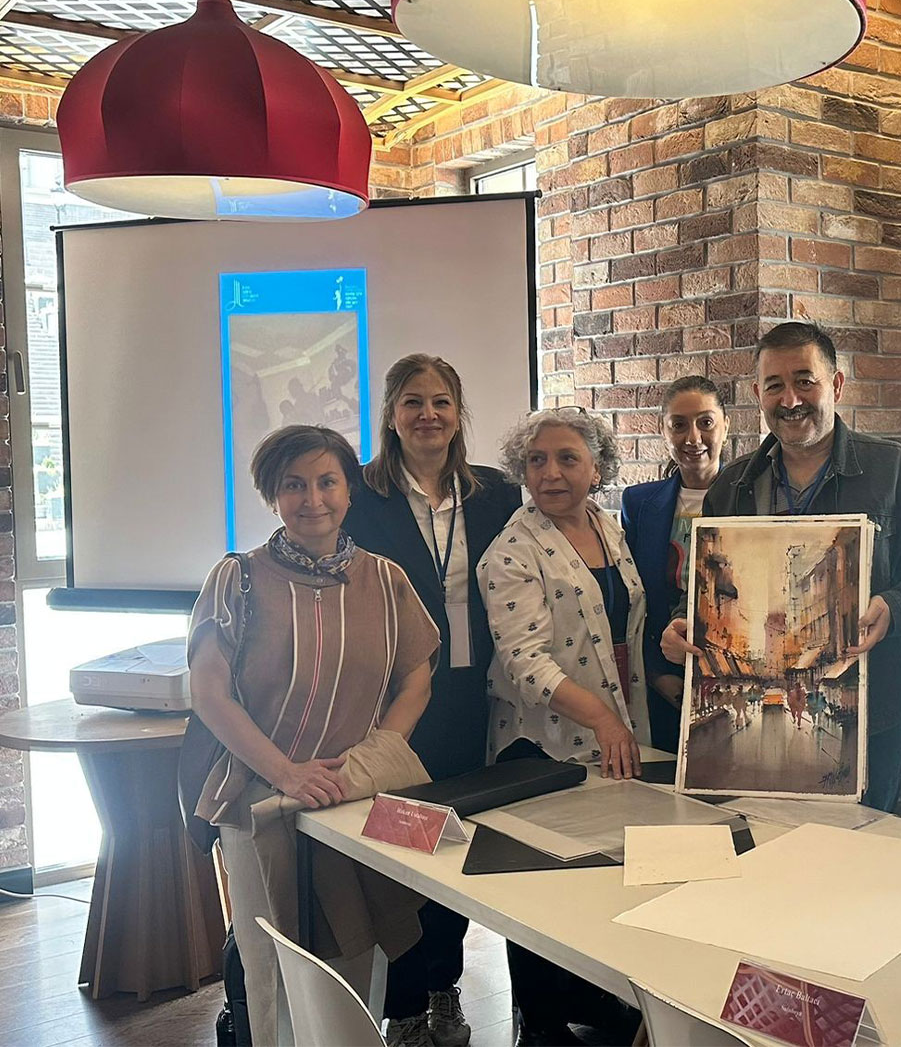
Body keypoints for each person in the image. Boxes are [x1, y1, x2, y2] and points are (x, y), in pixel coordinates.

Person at [188, 426, 438, 1047]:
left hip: (354, 802)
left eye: (327, 481)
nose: (313, 499)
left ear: (350, 490)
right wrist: (287, 773)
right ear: (272, 495)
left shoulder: (386, 580)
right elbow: (209, 693)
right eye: (294, 485)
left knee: (356, 963)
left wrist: (373, 759)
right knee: (274, 971)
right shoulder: (236, 578)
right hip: (257, 802)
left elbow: (417, 676)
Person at [662, 321, 901, 812]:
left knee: (862, 846)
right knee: (762, 840)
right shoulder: (731, 486)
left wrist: (893, 606)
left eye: (805, 381)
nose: (790, 400)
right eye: (774, 386)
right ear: (758, 395)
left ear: (836, 385)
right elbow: (702, 588)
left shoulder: (897, 471)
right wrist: (682, 623)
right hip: (755, 717)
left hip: (872, 716)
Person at [342, 354, 523, 1047]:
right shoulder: (361, 496)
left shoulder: (495, 492)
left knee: (454, 843)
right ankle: (405, 1004)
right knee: (399, 848)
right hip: (397, 696)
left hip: (475, 696)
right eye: (412, 401)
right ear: (391, 414)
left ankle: (444, 984)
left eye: (441, 401)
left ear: (458, 412)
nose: (428, 415)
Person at [478, 407, 646, 1046]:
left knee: (597, 879)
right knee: (541, 890)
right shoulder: (511, 551)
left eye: (567, 458)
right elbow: (524, 660)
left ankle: (592, 997)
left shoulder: (608, 526)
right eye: (537, 461)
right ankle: (541, 1023)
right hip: (539, 744)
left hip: (612, 732)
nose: (550, 473)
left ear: (596, 469)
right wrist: (602, 717)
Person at [620, 375, 729, 753]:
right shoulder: (638, 504)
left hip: (732, 676)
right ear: (664, 431)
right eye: (679, 425)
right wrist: (655, 674)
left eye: (705, 422)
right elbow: (634, 599)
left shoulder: (754, 499)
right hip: (662, 683)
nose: (693, 437)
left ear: (725, 425)